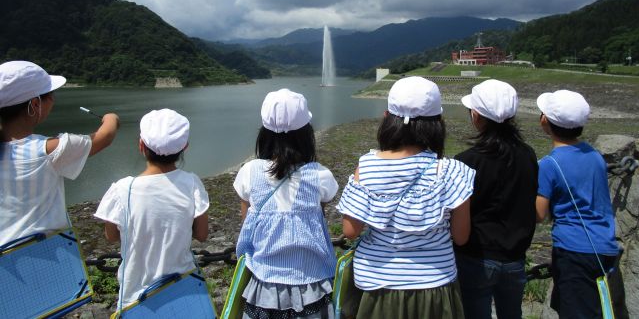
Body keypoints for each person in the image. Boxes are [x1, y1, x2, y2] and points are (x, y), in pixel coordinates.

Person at [337, 76, 475, 319]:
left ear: (387, 118)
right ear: (438, 123)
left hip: (377, 285)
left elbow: (350, 231)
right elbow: (461, 237)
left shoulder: (367, 167)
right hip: (435, 286)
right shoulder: (452, 171)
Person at [234, 88, 338, 319]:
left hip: (264, 286)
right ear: (306, 134)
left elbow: (247, 223)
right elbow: (318, 219)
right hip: (313, 285)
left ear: (264, 133)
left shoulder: (249, 172)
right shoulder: (319, 175)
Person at [94, 108, 210, 309]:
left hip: (137, 297)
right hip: (183, 286)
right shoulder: (192, 183)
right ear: (185, 147)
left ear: (141, 145)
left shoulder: (122, 189)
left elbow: (111, 236)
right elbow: (201, 234)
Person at [0, 60, 119, 245]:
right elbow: (105, 137)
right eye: (50, 95)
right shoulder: (50, 150)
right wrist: (112, 118)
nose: (53, 100)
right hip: (44, 254)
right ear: (34, 104)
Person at [454, 79, 538, 319]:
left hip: (476, 258)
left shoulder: (467, 160)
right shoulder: (528, 154)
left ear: (477, 116)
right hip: (515, 257)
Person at [535, 90, 621, 319]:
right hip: (604, 245)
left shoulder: (550, 164)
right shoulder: (594, 155)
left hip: (573, 250)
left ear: (545, 121)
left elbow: (539, 213)